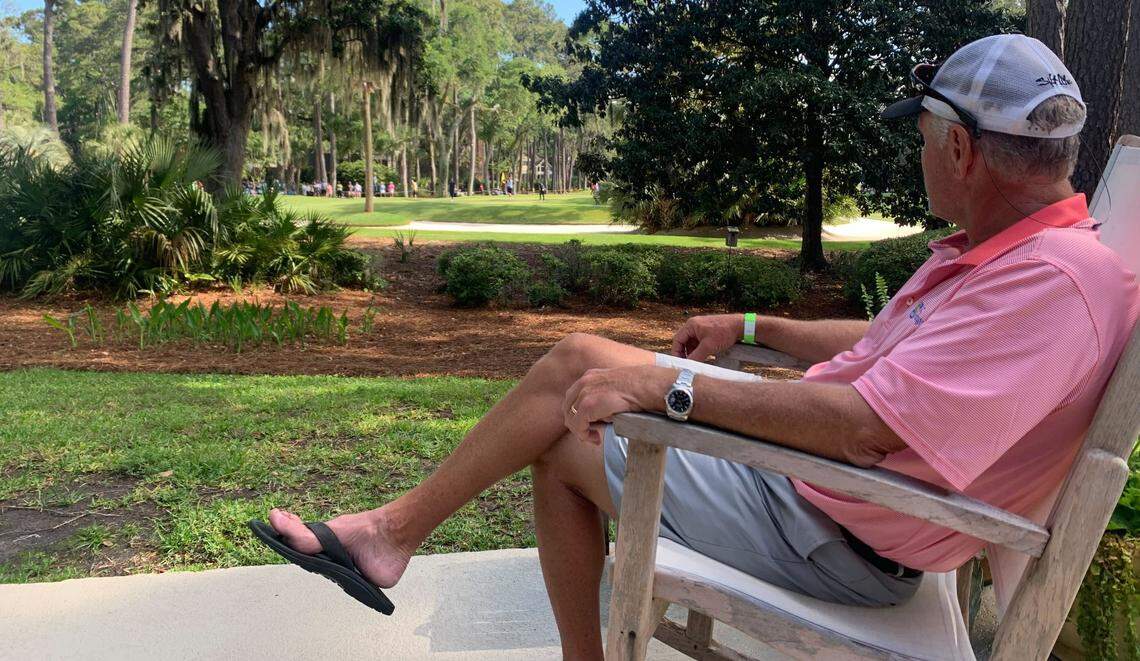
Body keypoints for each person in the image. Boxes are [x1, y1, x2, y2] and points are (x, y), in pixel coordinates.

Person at [252, 35, 1138, 660]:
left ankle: (392, 536)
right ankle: (393, 537)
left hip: (834, 530)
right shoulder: (1025, 257)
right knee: (576, 372)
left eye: (920, 139)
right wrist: (750, 331)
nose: (920, 157)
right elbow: (884, 344)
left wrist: (669, 390)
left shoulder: (1052, 286)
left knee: (573, 404)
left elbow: (867, 427)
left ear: (959, 146)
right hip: (821, 495)